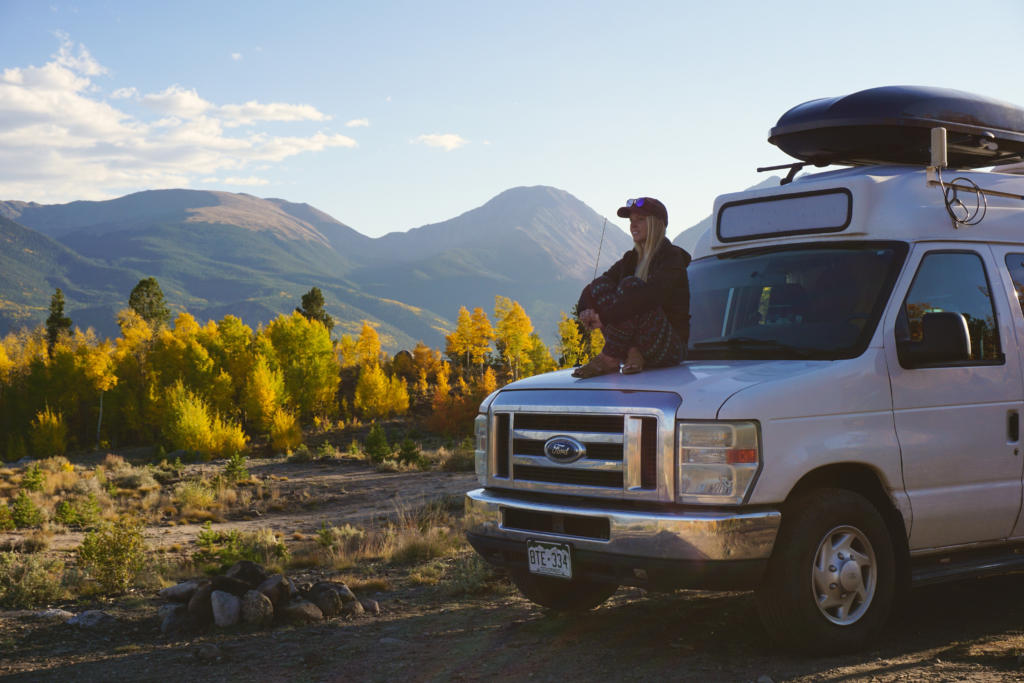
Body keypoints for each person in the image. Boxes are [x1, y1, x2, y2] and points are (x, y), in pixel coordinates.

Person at [572, 196, 690, 378]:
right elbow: (595, 287)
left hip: (671, 348)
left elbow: (650, 297)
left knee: (631, 286)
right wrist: (586, 310)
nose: (633, 226)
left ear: (657, 224)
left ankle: (610, 357)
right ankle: (633, 351)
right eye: (631, 221)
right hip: (638, 344)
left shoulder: (672, 259)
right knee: (603, 285)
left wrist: (604, 316)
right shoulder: (631, 259)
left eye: (640, 220)